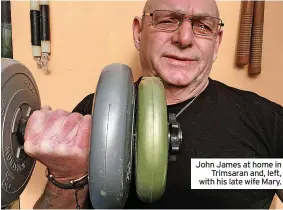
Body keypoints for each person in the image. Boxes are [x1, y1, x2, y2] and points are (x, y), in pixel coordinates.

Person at [24, 0, 283, 209]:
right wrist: (67, 178)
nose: (184, 38)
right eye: (167, 20)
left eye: (203, 26)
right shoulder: (94, 114)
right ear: (138, 32)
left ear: (217, 42)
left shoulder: (267, 121)